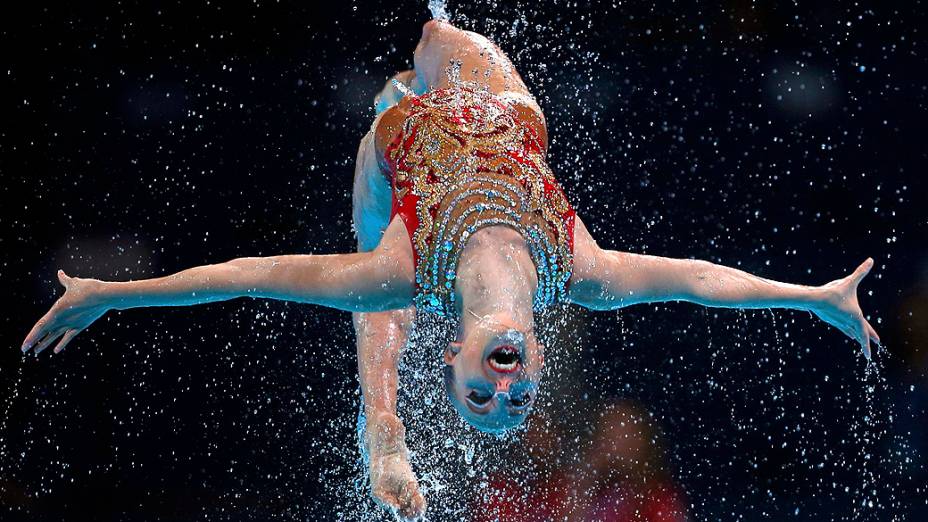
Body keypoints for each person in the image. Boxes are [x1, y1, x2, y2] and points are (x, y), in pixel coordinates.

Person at [21, 19, 880, 521]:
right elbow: (699, 279)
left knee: (370, 280)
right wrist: (812, 298)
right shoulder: (578, 271)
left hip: (393, 163)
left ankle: (381, 427)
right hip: (498, 113)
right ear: (537, 364)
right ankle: (384, 438)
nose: (502, 390)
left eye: (480, 395)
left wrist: (110, 296)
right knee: (438, 31)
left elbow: (247, 272)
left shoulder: (403, 270)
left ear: (457, 362)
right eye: (516, 396)